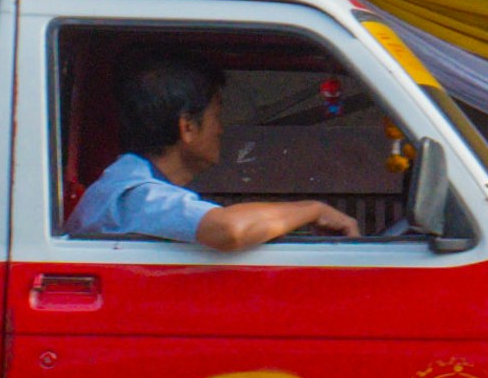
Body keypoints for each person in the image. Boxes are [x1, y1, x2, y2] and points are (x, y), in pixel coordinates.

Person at [66, 54, 359, 256]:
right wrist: (314, 210)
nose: (221, 130)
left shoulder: (130, 184)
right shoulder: (134, 196)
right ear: (188, 127)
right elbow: (229, 230)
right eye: (217, 116)